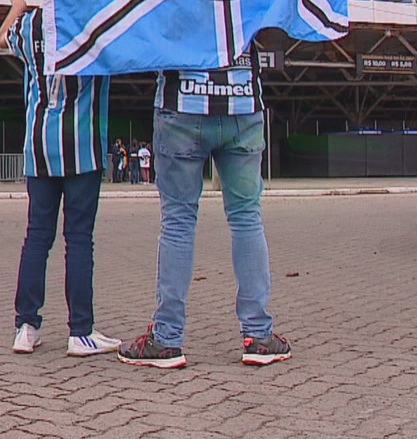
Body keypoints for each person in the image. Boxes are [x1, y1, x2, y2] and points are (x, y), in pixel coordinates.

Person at [118, 51, 291, 368]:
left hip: (183, 103)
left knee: (178, 222)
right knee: (246, 218)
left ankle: (167, 338)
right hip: (242, 102)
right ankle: (258, 336)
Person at [0, 0, 119, 358]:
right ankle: (80, 331)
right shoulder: (95, 22)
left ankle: (26, 326)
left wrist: (16, 8)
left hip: (39, 146)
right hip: (82, 146)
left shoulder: (30, 25)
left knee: (38, 236)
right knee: (79, 238)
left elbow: (2, 38)